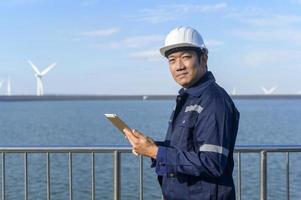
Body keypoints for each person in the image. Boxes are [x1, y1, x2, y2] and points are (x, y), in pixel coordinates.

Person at [124, 26, 240, 200]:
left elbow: (212, 162)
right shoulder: (188, 98)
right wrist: (152, 146)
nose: (179, 66)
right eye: (172, 60)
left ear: (203, 59)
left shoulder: (214, 101)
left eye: (186, 57)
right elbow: (185, 148)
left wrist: (156, 152)